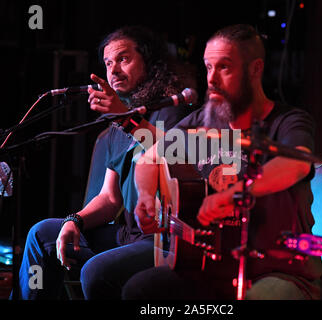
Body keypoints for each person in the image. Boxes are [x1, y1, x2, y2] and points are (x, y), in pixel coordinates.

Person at [122, 24, 322, 300]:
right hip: (211, 265)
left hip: (277, 269)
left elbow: (294, 165)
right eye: (208, 67)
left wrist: (231, 195)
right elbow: (149, 158)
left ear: (255, 69)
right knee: (139, 290)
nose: (212, 79)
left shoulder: (289, 121)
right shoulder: (200, 122)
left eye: (224, 68)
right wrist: (146, 196)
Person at [12, 25, 192, 300]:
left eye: (123, 59)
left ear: (149, 62)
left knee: (96, 271)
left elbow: (178, 156)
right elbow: (109, 199)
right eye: (108, 63)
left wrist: (126, 119)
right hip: (126, 235)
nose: (114, 70)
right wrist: (75, 221)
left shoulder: (172, 110)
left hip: (163, 240)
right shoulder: (117, 124)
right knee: (42, 233)